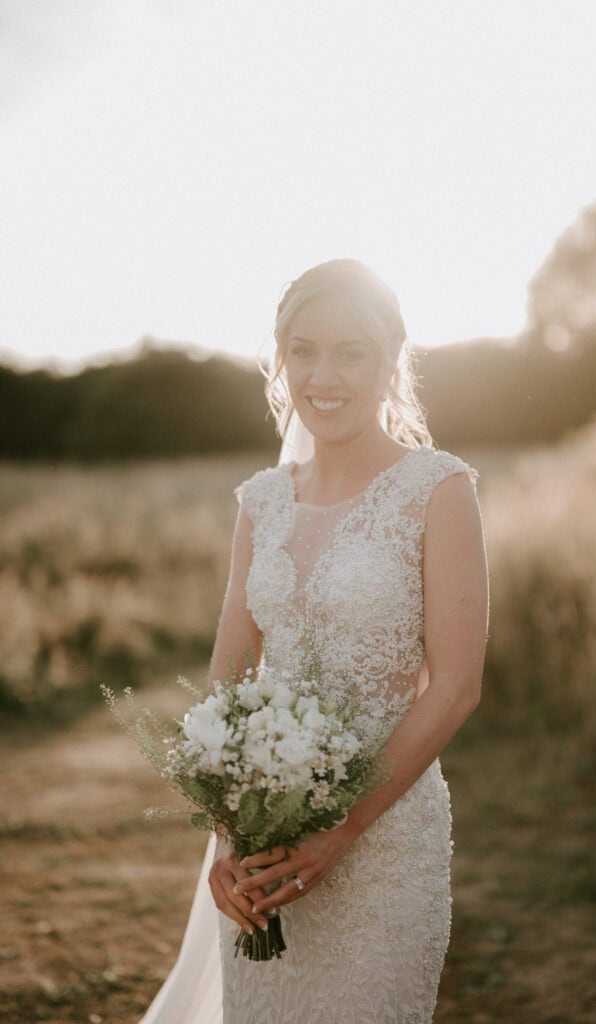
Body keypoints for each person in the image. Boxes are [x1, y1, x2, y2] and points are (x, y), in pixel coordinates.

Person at [140, 258, 489, 1023]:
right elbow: (230, 675)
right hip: (266, 839)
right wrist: (232, 835)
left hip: (386, 841)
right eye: (302, 349)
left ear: (390, 360)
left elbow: (457, 685)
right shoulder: (262, 502)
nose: (322, 375)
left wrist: (343, 827)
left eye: (350, 351)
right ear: (279, 358)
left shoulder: (437, 491)